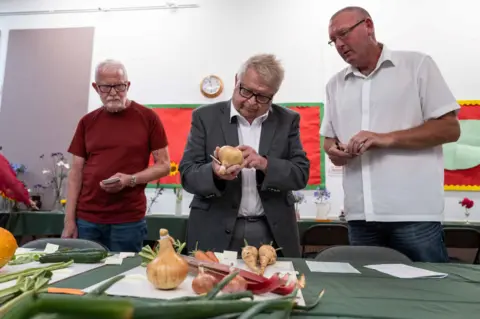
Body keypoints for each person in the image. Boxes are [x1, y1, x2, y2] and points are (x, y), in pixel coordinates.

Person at [321, 6, 461, 262]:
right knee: (369, 297)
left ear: (369, 26)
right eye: (334, 41)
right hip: (359, 216)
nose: (340, 45)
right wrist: (334, 152)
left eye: (344, 34)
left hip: (414, 214)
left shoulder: (417, 66)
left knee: (428, 294)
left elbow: (450, 128)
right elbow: (328, 139)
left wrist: (385, 138)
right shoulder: (334, 85)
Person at [179, 54, 310, 258]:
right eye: (246, 91)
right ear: (236, 81)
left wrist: (265, 163)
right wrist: (214, 174)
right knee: (212, 288)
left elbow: (301, 174)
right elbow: (187, 175)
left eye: (262, 97)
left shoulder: (287, 120)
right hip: (214, 229)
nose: (251, 102)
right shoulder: (204, 117)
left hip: (271, 231)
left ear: (274, 94)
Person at [62, 60, 170, 252]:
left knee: (126, 276)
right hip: (87, 220)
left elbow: (164, 165)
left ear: (127, 85)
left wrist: (131, 179)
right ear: (96, 88)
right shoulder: (87, 122)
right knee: (85, 275)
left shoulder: (148, 118)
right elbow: (75, 174)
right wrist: (69, 221)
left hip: (128, 221)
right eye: (105, 87)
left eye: (119, 86)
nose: (113, 93)